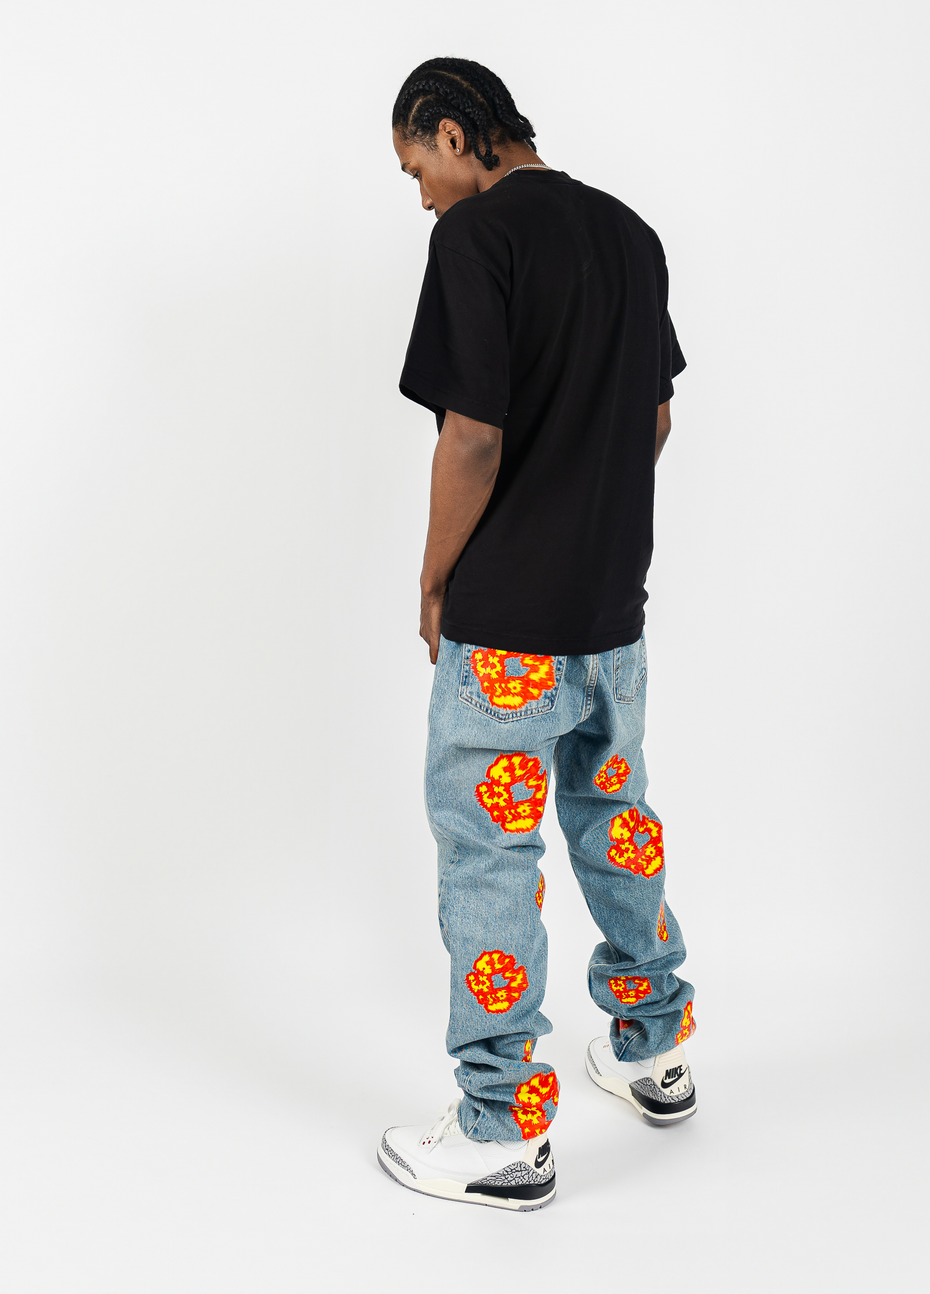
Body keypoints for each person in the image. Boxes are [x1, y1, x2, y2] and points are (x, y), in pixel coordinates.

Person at [377, 58, 696, 1212]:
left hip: (509, 624)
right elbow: (656, 415)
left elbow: (472, 436)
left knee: (490, 856)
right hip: (611, 617)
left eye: (416, 167)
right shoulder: (630, 235)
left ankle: (501, 1131)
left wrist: (435, 578)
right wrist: (591, 519)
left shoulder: (477, 238)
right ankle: (653, 1047)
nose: (420, 195)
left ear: (455, 132)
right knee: (616, 816)